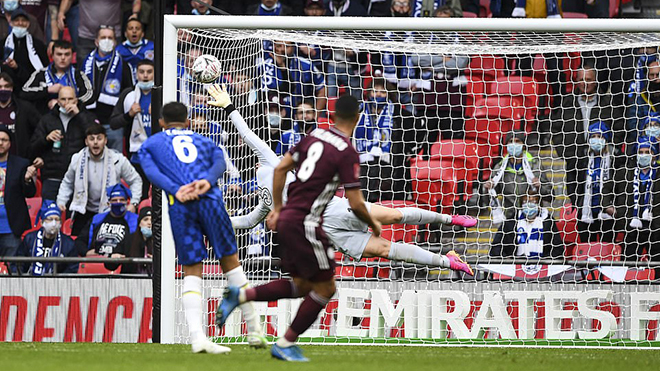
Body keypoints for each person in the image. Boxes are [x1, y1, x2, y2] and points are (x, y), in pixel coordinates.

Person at [209, 87, 474, 354]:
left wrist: (229, 107)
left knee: (393, 215)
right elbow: (249, 221)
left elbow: (249, 135)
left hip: (332, 209)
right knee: (384, 251)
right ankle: (447, 260)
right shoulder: (266, 201)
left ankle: (450, 218)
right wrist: (219, 219)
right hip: (322, 230)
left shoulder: (268, 162)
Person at [216, 93, 379, 362]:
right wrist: (373, 224)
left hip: (288, 222)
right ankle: (285, 342)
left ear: (333, 115)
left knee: (303, 285)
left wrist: (278, 209)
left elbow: (280, 169)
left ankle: (242, 295)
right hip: (307, 222)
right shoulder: (347, 152)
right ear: (358, 117)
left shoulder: (313, 137)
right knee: (325, 289)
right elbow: (355, 202)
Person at [133, 101, 265, 353]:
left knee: (191, 269)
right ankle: (255, 331)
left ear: (161, 123)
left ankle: (197, 337)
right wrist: (206, 181)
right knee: (231, 263)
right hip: (211, 201)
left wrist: (176, 189)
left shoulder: (151, 144)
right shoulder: (203, 140)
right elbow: (220, 162)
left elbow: (151, 172)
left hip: (181, 205)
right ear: (188, 122)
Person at [551, 63, 623, 205]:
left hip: (602, 163)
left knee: (602, 204)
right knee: (577, 203)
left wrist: (610, 150)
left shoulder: (607, 103)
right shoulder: (567, 103)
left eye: (589, 79)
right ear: (577, 81)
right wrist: (566, 154)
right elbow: (556, 129)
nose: (585, 83)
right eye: (582, 79)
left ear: (595, 81)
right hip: (575, 163)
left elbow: (619, 128)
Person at [56, 124, 142, 236]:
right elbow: (67, 183)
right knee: (78, 246)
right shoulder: (77, 159)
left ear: (105, 141)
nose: (95, 142)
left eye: (99, 138)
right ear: (86, 142)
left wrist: (134, 203)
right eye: (91, 139)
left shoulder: (117, 159)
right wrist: (61, 201)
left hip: (109, 210)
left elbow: (135, 180)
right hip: (83, 210)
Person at [30, 86, 97, 200]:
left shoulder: (87, 117)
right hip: (53, 176)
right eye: (63, 99)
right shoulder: (47, 119)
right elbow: (32, 148)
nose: (67, 103)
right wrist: (46, 139)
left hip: (79, 176)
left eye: (70, 99)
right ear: (58, 101)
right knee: (50, 214)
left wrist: (79, 115)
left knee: (76, 216)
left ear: (76, 100)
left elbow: (95, 138)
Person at [82, 25, 133, 153]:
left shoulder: (123, 65)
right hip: (90, 120)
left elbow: (128, 93)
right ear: (96, 41)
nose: (106, 40)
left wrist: (119, 117)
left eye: (110, 37)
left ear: (115, 42)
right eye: (103, 37)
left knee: (115, 162)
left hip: (113, 123)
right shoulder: (85, 63)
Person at [484, 130, 552, 224]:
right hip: (511, 219)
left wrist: (539, 187)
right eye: (510, 141)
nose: (513, 144)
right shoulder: (500, 168)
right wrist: (489, 187)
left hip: (533, 218)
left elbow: (551, 195)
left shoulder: (535, 165)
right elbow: (490, 197)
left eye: (517, 141)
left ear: (523, 145)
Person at [617, 136, 660, 263]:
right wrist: (615, 210)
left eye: (647, 152)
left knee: (656, 265)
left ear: (654, 155)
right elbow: (608, 189)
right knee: (628, 263)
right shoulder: (626, 173)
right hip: (632, 227)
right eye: (641, 152)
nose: (643, 155)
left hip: (655, 228)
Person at [76, 184, 138, 271]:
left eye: (121, 200)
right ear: (109, 203)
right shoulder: (97, 219)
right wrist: (86, 252)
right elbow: (79, 241)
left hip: (122, 264)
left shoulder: (135, 221)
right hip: (96, 263)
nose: (118, 202)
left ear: (127, 202)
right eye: (114, 200)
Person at [21, 40, 93, 115]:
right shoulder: (40, 74)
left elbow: (90, 95)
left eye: (67, 54)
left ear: (72, 56)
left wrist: (72, 102)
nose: (63, 58)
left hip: (73, 118)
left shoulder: (78, 74)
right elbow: (24, 93)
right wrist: (47, 90)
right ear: (52, 56)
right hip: (46, 118)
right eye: (59, 54)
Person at [575, 121, 618, 243]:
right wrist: (576, 203)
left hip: (607, 212)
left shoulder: (615, 159)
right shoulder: (582, 159)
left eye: (599, 136)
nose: (596, 139)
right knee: (587, 247)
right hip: (586, 211)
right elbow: (574, 182)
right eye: (593, 136)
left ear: (606, 139)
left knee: (606, 249)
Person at [490, 189, 563, 258]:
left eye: (532, 201)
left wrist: (546, 261)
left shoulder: (548, 222)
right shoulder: (511, 222)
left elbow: (558, 248)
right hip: (515, 264)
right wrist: (507, 260)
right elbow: (496, 245)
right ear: (521, 205)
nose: (528, 205)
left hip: (542, 264)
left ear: (538, 205)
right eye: (525, 202)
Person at [0, 126, 36, 258]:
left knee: (12, 273)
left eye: (4, 140)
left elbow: (30, 193)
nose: (0, 143)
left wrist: (27, 180)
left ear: (9, 144)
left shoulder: (20, 164)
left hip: (11, 229)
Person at [18, 200, 77, 275]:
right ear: (41, 222)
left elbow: (72, 268)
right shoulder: (30, 238)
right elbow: (18, 264)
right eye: (50, 219)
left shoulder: (68, 243)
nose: (54, 223)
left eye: (57, 219)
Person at [109, 59, 153, 158]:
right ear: (136, 74)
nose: (145, 75)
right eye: (141, 72)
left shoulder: (162, 94)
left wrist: (159, 114)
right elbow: (113, 123)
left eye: (149, 72)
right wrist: (129, 115)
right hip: (135, 152)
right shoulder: (128, 94)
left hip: (157, 150)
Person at [1, 9, 48, 91]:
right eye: (16, 20)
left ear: (28, 24)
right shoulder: (2, 44)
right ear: (11, 23)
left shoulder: (38, 45)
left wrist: (17, 67)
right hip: (7, 88)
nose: (20, 23)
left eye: (23, 20)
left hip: (32, 87)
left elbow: (44, 68)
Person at [0, 72, 40, 158]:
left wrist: (33, 153)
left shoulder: (24, 108)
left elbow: (39, 130)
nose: (3, 89)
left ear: (11, 88)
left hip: (19, 161)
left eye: (6, 86)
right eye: (0, 87)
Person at [115, 19, 154, 83]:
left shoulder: (152, 47)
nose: (134, 31)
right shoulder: (118, 50)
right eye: (131, 28)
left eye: (137, 28)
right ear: (125, 33)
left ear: (142, 33)